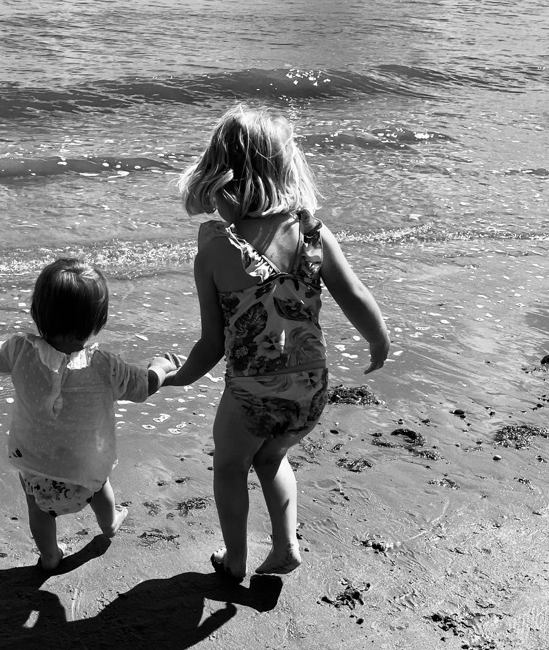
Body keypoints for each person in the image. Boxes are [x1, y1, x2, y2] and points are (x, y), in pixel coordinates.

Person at [164, 103, 391, 581]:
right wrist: (378, 340)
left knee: (229, 466)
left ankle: (236, 559)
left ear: (219, 175)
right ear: (284, 168)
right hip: (311, 388)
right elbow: (355, 294)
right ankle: (285, 545)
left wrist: (178, 378)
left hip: (252, 391)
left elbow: (213, 344)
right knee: (271, 457)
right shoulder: (312, 233)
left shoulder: (216, 251)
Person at [0, 258, 179, 572]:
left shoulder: (19, 350)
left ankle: (49, 555)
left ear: (36, 311)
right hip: (86, 468)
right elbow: (142, 386)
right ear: (98, 321)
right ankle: (110, 522)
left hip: (35, 463)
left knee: (38, 508)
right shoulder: (106, 365)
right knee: (101, 485)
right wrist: (162, 366)